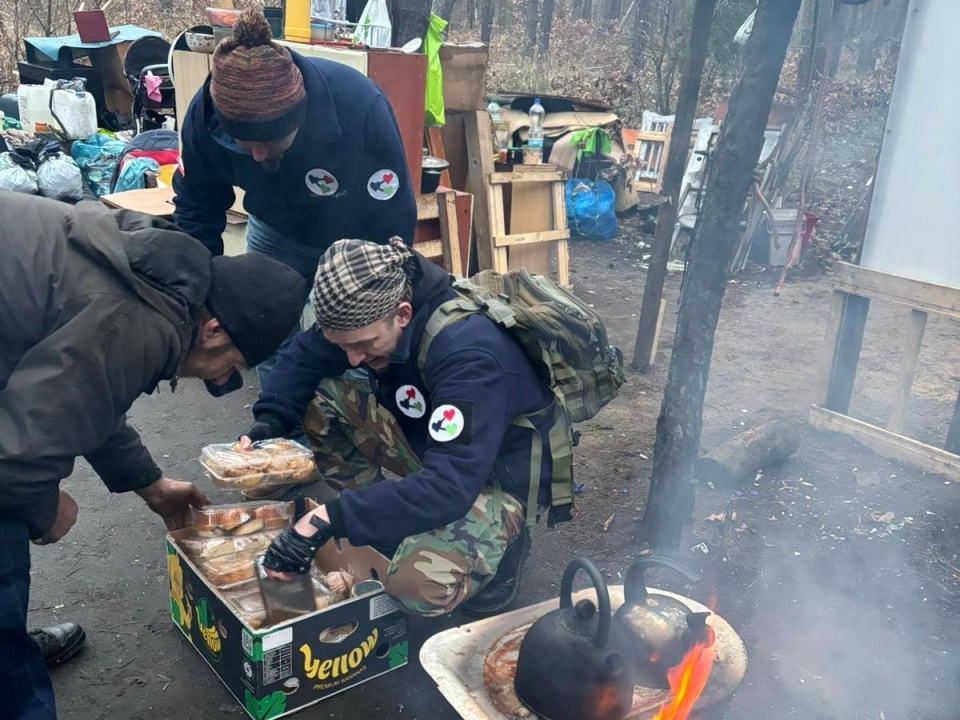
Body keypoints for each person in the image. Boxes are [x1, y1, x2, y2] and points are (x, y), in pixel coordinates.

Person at [0, 193, 308, 720]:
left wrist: (150, 483)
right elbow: (18, 457)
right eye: (227, 364)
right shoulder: (140, 320)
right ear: (213, 329)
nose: (217, 378)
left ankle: (11, 656)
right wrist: (40, 507)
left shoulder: (158, 273)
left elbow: (85, 387)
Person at [245, 239, 575, 618]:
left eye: (364, 346)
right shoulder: (364, 320)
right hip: (435, 448)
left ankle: (505, 549)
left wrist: (325, 520)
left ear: (403, 313)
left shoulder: (468, 356)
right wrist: (268, 420)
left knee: (415, 586)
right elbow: (306, 354)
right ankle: (384, 526)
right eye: (344, 346)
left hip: (495, 478)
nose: (353, 359)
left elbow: (449, 488)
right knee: (321, 397)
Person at [172, 9, 416, 385]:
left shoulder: (358, 107)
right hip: (274, 232)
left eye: (268, 142)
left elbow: (392, 217)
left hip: (354, 243)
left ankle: (349, 432)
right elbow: (197, 209)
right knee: (270, 344)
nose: (256, 155)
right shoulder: (206, 117)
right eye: (244, 144)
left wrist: (378, 293)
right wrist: (196, 306)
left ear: (298, 119)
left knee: (350, 351)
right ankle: (280, 435)